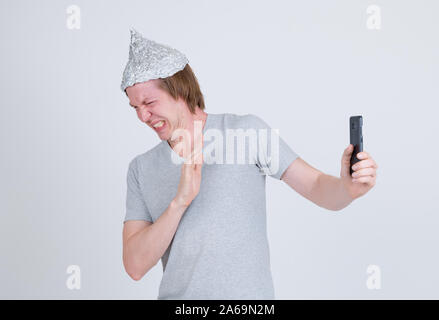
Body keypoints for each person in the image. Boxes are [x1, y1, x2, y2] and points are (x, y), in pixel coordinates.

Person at [120, 29, 378, 300]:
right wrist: (179, 202)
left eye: (148, 102)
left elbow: (317, 188)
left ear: (179, 89)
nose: (142, 116)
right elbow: (134, 266)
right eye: (134, 107)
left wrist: (348, 188)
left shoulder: (247, 132)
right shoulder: (141, 169)